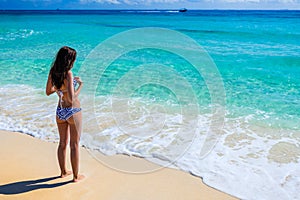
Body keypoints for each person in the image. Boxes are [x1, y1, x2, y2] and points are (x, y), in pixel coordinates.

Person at [46, 46, 84, 182]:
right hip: (72, 111)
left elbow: (48, 91)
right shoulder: (68, 73)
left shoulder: (53, 72)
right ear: (69, 60)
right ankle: (75, 176)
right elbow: (72, 98)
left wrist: (60, 88)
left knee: (62, 143)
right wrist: (80, 86)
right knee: (74, 145)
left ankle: (63, 172)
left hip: (60, 111)